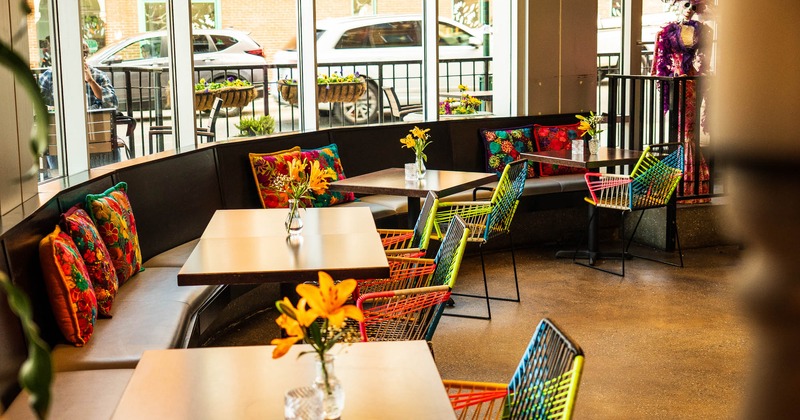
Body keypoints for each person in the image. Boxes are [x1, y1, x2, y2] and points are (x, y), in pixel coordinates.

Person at [651, 0, 713, 203]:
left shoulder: (702, 31)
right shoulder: (666, 31)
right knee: (678, 128)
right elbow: (657, 63)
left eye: (694, 7)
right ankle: (680, 178)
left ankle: (688, 181)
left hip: (691, 82)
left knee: (688, 129)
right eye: (686, 4)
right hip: (674, 81)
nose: (689, 10)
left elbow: (705, 59)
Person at [38, 41, 118, 110]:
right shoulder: (49, 76)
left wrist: (91, 81)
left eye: (83, 53)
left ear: (85, 56)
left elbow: (112, 104)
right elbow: (38, 105)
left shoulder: (98, 75)